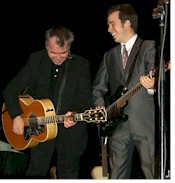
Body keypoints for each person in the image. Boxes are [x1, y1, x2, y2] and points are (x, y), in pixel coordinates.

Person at [3, 26, 92, 179]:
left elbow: (85, 98)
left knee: (68, 175)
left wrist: (75, 113)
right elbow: (10, 90)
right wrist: (16, 115)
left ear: (69, 47)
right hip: (38, 131)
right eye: (53, 53)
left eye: (63, 53)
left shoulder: (81, 65)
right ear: (46, 46)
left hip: (70, 134)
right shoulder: (36, 60)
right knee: (35, 173)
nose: (58, 57)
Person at [92, 4, 156, 179]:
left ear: (127, 22)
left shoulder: (148, 47)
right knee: (116, 176)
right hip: (117, 126)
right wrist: (99, 106)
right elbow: (98, 88)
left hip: (144, 122)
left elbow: (157, 78)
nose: (108, 29)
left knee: (152, 173)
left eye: (112, 24)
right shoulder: (109, 55)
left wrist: (152, 86)